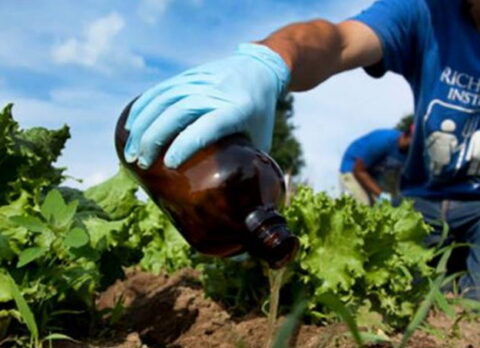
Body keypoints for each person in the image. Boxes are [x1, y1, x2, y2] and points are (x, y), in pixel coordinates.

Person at [122, 0, 480, 299]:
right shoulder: (429, 11)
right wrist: (269, 61)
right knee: (412, 294)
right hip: (423, 199)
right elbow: (337, 41)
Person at [340, 127, 412, 205]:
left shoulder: (412, 152)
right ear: (406, 135)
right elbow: (358, 171)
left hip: (374, 174)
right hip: (352, 169)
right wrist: (382, 195)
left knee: (381, 208)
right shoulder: (383, 140)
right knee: (363, 205)